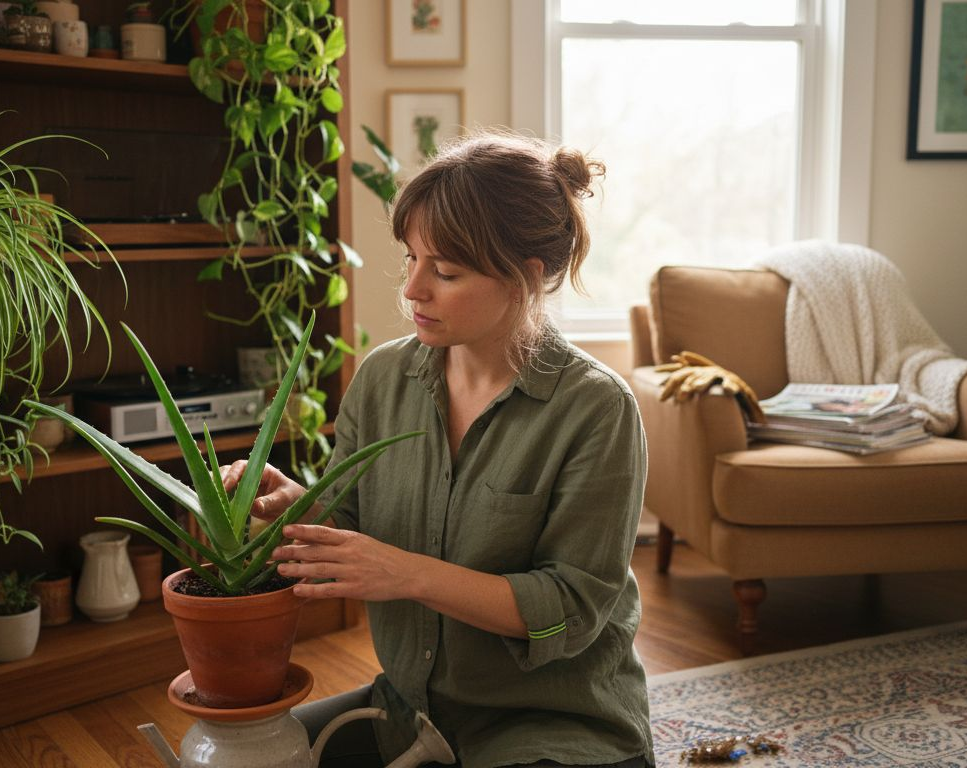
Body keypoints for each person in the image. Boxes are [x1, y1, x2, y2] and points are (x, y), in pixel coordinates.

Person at [225, 132, 654, 767]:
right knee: (241, 757)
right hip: (409, 710)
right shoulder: (382, 378)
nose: (413, 290)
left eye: (446, 272)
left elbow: (570, 611)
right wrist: (296, 507)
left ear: (526, 276)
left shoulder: (596, 408)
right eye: (412, 259)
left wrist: (407, 573)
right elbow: (351, 526)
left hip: (556, 725)